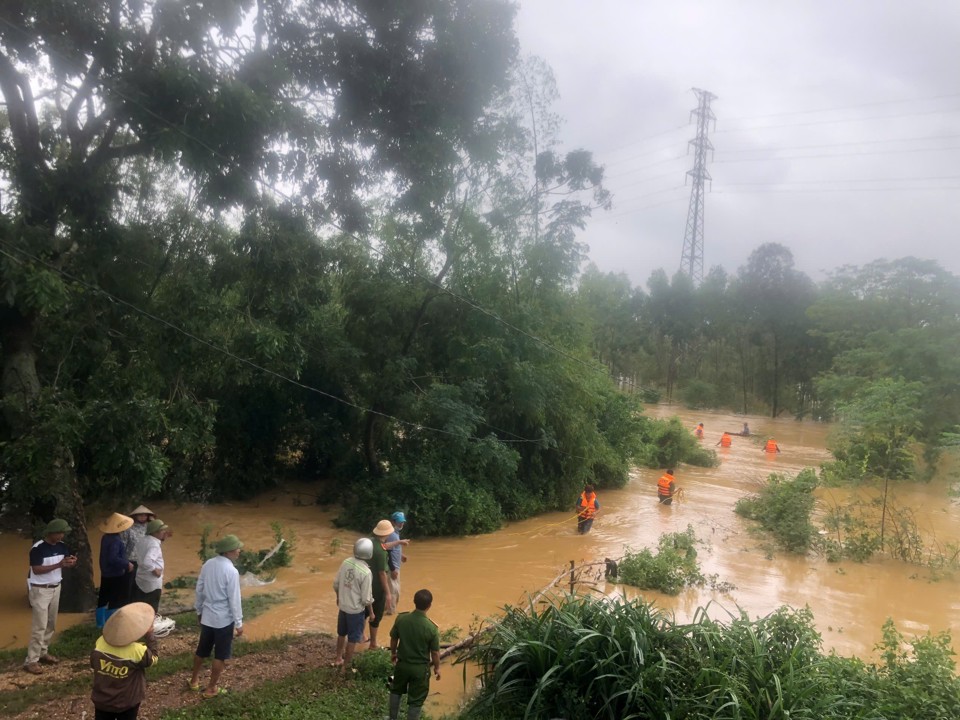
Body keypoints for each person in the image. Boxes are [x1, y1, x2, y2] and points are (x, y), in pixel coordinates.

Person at [189, 534, 244, 698]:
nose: (239, 551)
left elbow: (199, 589)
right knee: (220, 655)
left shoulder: (208, 564)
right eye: (237, 548)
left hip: (207, 616)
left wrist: (198, 610)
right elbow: (234, 599)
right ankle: (211, 688)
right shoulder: (231, 571)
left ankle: (194, 681)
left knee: (202, 650)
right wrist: (239, 623)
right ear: (229, 551)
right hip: (223, 619)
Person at [24, 518, 78, 674]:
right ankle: (31, 660)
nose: (62, 536)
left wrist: (70, 562)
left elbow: (64, 562)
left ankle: (43, 652)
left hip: (56, 587)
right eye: (60, 533)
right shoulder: (37, 548)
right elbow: (37, 569)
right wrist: (59, 565)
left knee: (51, 623)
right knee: (39, 625)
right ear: (51, 533)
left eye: (63, 533)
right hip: (40, 589)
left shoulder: (62, 546)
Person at [90, 601, 159, 720]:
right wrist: (150, 635)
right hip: (127, 703)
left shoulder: (100, 642)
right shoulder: (138, 651)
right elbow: (153, 658)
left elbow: (93, 664)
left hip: (102, 702)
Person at [388, 589, 441, 720]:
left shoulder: (401, 619)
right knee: (416, 700)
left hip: (402, 665)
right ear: (429, 606)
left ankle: (392, 718)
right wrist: (437, 668)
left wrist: (393, 653)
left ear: (414, 602)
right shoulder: (431, 628)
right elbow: (435, 653)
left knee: (396, 690)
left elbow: (394, 639)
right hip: (420, 670)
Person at [333, 538, 375, 669]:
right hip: (355, 611)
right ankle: (345, 668)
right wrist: (372, 613)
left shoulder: (346, 562)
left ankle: (338, 658)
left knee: (341, 634)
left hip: (343, 607)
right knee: (352, 639)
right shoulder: (366, 572)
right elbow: (366, 598)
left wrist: (338, 597)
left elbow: (336, 584)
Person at [98, 513, 135, 626]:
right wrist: (126, 563)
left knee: (103, 598)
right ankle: (111, 624)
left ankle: (100, 623)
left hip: (106, 572)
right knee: (114, 599)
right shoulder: (116, 540)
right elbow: (113, 558)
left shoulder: (106, 537)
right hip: (115, 573)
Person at [367, 520, 396, 650]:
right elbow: (382, 574)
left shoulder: (369, 543)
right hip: (376, 588)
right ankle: (373, 643)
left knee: (364, 612)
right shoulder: (381, 552)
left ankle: (360, 637)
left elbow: (385, 546)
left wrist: (399, 543)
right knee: (376, 615)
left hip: (364, 585)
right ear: (388, 533)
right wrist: (388, 593)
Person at [120, 506, 155, 604]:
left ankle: (141, 605)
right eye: (140, 515)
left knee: (143, 586)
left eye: (145, 515)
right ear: (135, 516)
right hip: (132, 561)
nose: (143, 517)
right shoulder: (128, 528)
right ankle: (128, 605)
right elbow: (122, 545)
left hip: (146, 561)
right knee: (129, 586)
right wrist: (125, 561)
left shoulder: (150, 527)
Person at [133, 519, 169, 613]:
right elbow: (147, 561)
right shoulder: (154, 545)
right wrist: (154, 570)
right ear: (155, 532)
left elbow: (140, 558)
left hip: (140, 578)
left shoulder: (142, 540)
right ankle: (151, 626)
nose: (164, 532)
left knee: (141, 608)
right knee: (152, 609)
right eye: (162, 530)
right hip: (152, 582)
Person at [383, 512, 410, 614]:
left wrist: (401, 556)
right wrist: (393, 569)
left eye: (402, 522)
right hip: (392, 568)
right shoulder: (391, 535)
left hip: (395, 566)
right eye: (399, 522)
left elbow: (393, 548)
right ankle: (390, 614)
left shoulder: (395, 534)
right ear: (393, 522)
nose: (401, 524)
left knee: (391, 591)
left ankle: (386, 609)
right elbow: (387, 552)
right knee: (395, 593)